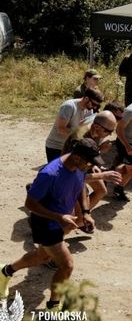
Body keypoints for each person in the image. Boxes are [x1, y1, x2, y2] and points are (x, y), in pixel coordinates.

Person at [0, 139, 104, 307]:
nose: (90, 166)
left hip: (60, 222)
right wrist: (58, 217)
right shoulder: (50, 174)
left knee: (42, 255)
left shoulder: (79, 167)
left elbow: (80, 189)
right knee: (66, 265)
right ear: (77, 157)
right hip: (45, 224)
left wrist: (85, 212)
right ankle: (53, 306)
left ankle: (5, 271)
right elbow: (30, 204)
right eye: (89, 162)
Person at [62, 111, 123, 230]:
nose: (110, 134)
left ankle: (81, 216)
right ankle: (52, 242)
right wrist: (103, 175)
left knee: (101, 190)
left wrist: (95, 165)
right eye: (108, 131)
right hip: (69, 173)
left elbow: (88, 156)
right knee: (78, 220)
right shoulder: (79, 139)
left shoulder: (96, 132)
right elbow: (76, 175)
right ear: (96, 126)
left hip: (82, 167)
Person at [45, 88, 104, 162]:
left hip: (71, 146)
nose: (94, 107)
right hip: (56, 146)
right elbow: (61, 129)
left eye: (97, 106)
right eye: (94, 104)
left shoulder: (89, 110)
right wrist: (79, 135)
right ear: (86, 98)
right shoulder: (69, 106)